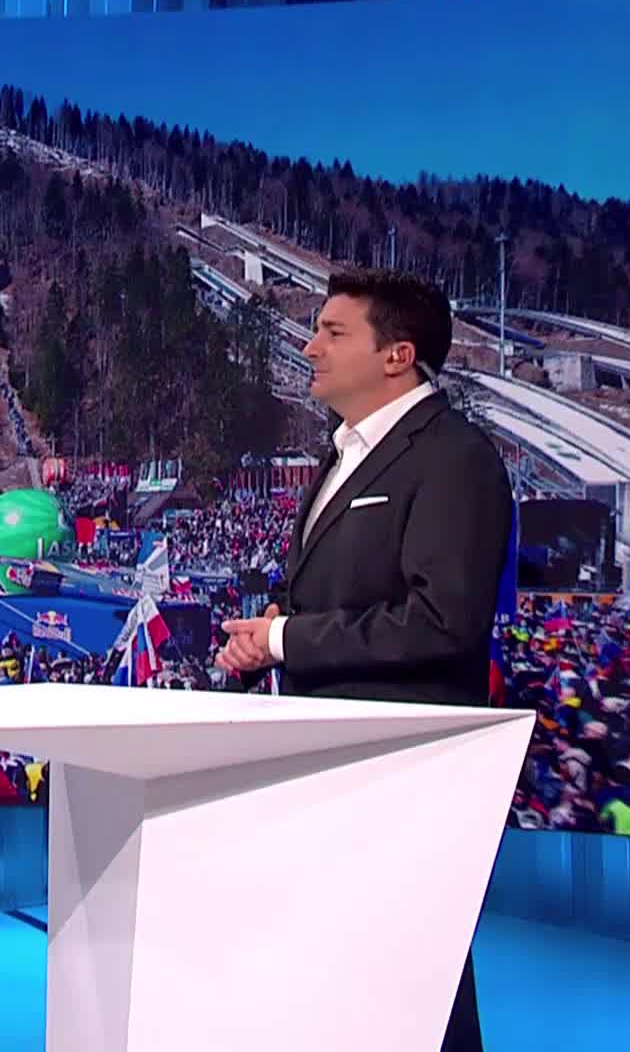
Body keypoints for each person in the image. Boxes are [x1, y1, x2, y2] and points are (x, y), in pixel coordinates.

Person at [216, 268, 511, 1052]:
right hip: (329, 766)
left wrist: (287, 639)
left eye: (332, 332)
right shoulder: (340, 456)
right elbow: (323, 594)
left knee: (417, 996)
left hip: (405, 773)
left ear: (397, 355)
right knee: (342, 990)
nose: (310, 347)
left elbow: (444, 621)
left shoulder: (452, 457)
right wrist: (269, 630)